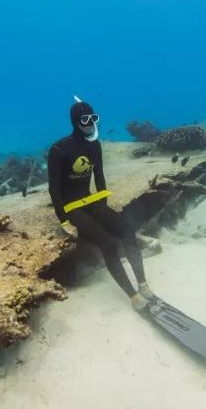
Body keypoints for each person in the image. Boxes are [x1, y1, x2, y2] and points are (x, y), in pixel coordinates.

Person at [47, 97, 155, 310]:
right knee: (108, 243)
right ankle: (132, 295)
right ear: (75, 122)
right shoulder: (58, 149)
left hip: (91, 200)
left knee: (127, 231)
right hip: (72, 207)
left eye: (94, 118)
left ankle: (143, 283)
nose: (91, 124)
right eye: (85, 120)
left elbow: (100, 177)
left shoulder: (95, 145)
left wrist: (103, 207)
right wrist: (64, 221)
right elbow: (54, 189)